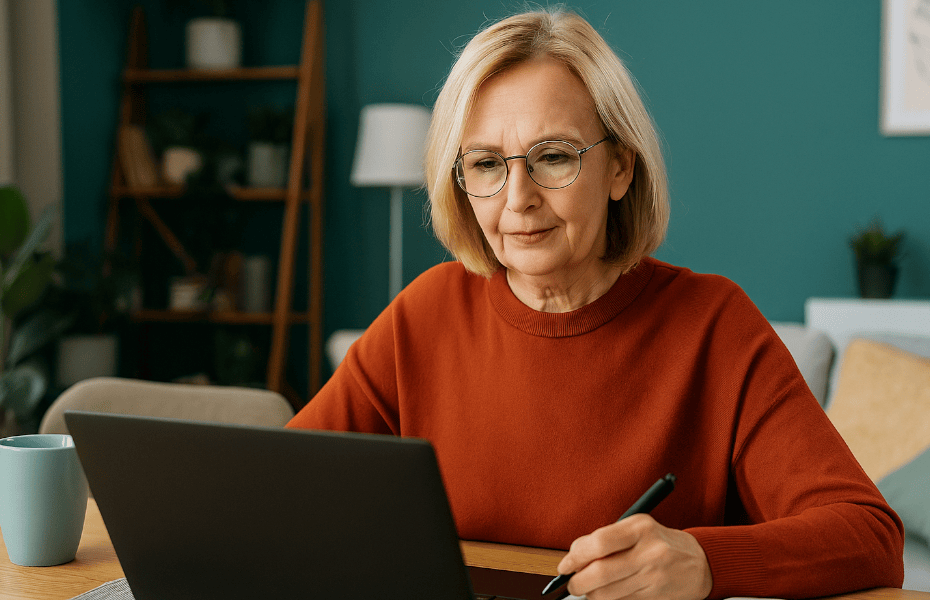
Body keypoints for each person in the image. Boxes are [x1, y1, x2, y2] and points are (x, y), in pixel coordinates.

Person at [287, 8, 904, 600]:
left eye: (554, 156)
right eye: (486, 164)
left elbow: (869, 536)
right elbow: (277, 491)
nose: (518, 198)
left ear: (620, 169)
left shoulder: (713, 324)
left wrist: (706, 563)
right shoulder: (426, 312)